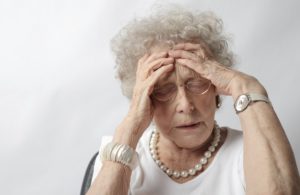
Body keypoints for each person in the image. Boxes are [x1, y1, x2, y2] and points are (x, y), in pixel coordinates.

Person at [86, 5, 300, 195]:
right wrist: (130, 127)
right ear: (145, 100)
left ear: (218, 87)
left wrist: (246, 86)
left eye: (197, 84)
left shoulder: (252, 151)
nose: (186, 105)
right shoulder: (119, 154)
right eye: (164, 90)